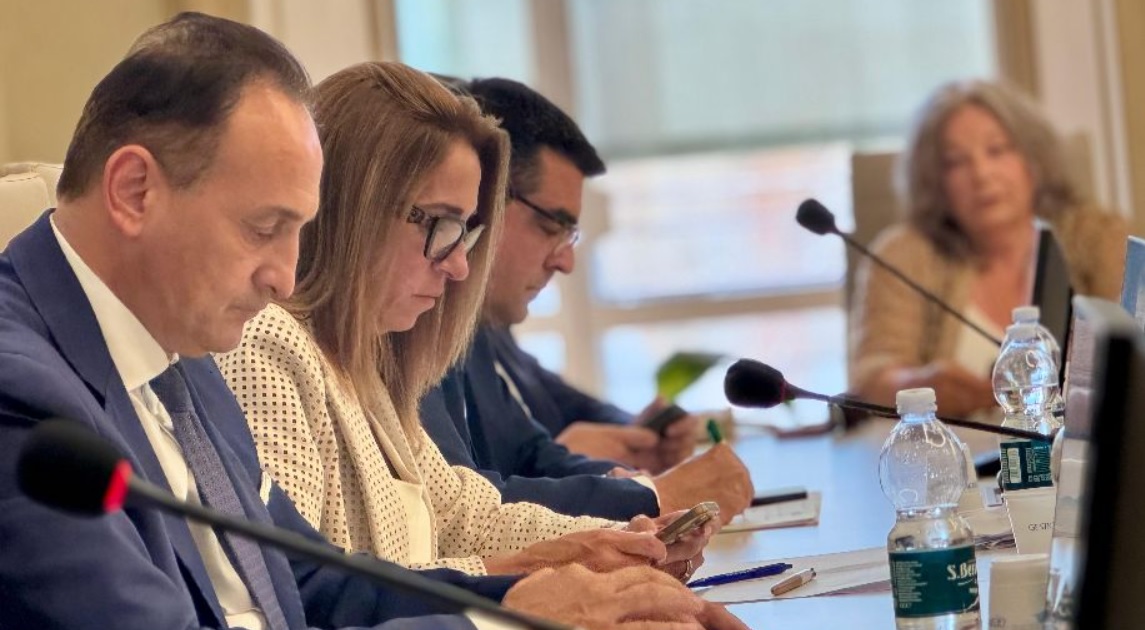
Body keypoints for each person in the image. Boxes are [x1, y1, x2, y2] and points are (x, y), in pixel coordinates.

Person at [0, 13, 743, 630]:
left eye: (299, 231)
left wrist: (533, 598)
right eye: (264, 228)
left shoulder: (180, 353)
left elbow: (312, 583)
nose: (284, 276)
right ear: (134, 191)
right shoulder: (22, 397)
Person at [215, 61, 712, 582]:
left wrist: (618, 539)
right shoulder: (268, 344)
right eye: (442, 225)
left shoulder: (364, 359)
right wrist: (544, 569)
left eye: (466, 234)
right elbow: (303, 589)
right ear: (356, 207)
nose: (459, 266)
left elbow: (464, 517)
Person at [424, 77, 753, 525]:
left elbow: (531, 451)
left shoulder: (470, 324)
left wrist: (639, 467)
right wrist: (652, 495)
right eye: (550, 227)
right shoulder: (412, 319)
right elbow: (461, 516)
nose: (565, 262)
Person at [849, 79, 1128, 418]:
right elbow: (871, 378)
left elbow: (1132, 355)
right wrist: (920, 386)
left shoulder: (1100, 238)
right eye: (955, 162)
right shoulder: (904, 255)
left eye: (997, 150)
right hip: (957, 447)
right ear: (935, 181)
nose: (981, 174)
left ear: (1034, 160)